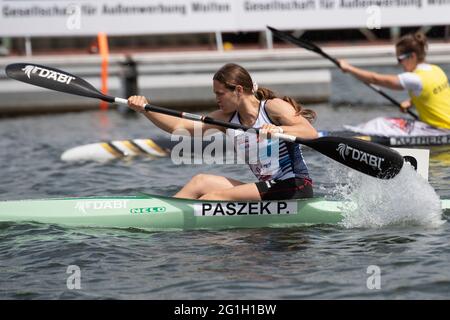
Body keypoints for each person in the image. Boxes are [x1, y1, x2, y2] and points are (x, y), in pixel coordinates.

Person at [128, 63, 318, 201]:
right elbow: (179, 127)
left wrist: (278, 129)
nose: (216, 99)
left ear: (238, 90)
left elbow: (310, 133)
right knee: (200, 182)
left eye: (220, 93)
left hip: (295, 186)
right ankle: (164, 215)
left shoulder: (272, 107)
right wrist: (146, 110)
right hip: (270, 188)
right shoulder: (226, 118)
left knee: (213, 197)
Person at [339, 32, 450, 130]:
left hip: (438, 130)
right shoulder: (437, 70)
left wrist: (349, 68)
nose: (398, 64)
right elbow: (431, 94)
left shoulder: (414, 78)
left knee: (380, 123)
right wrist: (411, 102)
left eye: (400, 59)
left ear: (412, 56)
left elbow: (375, 78)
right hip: (445, 126)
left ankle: (346, 136)